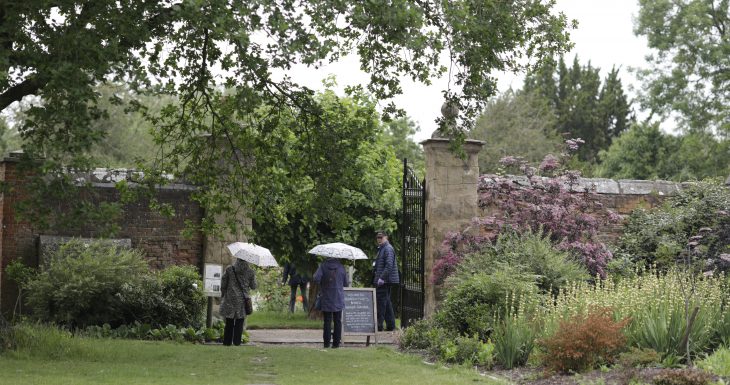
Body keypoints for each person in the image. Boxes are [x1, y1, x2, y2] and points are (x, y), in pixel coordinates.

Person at [220, 257, 257, 346]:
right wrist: (253, 278)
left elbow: (223, 282)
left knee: (229, 321)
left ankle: (227, 342)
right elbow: (253, 286)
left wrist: (223, 293)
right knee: (240, 321)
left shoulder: (230, 269)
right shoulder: (250, 272)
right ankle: (237, 342)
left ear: (237, 259)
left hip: (230, 298)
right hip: (242, 300)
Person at [313, 257, 349, 348]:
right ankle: (336, 344)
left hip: (326, 297)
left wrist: (323, 282)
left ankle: (326, 344)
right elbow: (346, 283)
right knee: (338, 321)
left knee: (327, 321)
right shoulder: (341, 267)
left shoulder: (323, 266)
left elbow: (316, 278)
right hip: (338, 297)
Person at [373, 231, 399, 331]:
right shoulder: (382, 248)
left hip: (385, 281)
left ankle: (379, 326)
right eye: (378, 238)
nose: (379, 239)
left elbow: (389, 266)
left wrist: (381, 278)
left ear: (386, 237)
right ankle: (391, 325)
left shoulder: (387, 248)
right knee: (387, 303)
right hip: (385, 280)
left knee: (381, 303)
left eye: (381, 237)